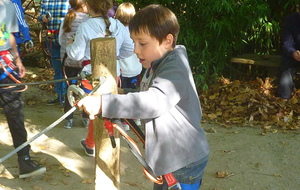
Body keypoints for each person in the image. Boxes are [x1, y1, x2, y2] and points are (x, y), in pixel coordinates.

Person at [77, 4, 210, 190]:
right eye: (134, 42)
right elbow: (147, 95)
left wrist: (103, 103)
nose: (136, 50)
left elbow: (154, 101)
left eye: (142, 43)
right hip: (172, 160)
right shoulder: (158, 64)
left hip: (183, 162)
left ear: (167, 40)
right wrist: (122, 93)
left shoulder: (174, 68)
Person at [65, 0, 134, 156]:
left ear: (88, 6)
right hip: (112, 73)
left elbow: (75, 54)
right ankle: (96, 143)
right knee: (107, 109)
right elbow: (129, 49)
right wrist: (115, 56)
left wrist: (70, 44)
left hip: (91, 75)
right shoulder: (119, 25)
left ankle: (93, 144)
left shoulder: (86, 26)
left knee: (95, 110)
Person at [0, 0, 46, 178]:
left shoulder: (9, 5)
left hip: (6, 64)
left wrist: (18, 61)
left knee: (15, 112)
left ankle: (24, 159)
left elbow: (8, 34)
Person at [58, 0, 90, 129]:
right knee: (86, 89)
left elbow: (61, 40)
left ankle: (69, 119)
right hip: (84, 62)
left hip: (68, 60)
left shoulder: (67, 18)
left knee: (70, 89)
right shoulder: (89, 20)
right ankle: (86, 118)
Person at [115, 2, 142, 129]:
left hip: (123, 70)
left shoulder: (117, 31)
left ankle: (125, 120)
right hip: (135, 69)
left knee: (122, 95)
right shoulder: (137, 31)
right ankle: (135, 117)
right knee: (135, 93)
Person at [38, 0, 70, 105]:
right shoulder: (46, 1)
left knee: (66, 70)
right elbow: (40, 15)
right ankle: (59, 94)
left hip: (66, 41)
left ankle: (66, 96)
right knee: (57, 69)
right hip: (52, 40)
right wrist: (42, 18)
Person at [277, 11, 300, 100]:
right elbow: (287, 43)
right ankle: (283, 107)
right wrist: (293, 52)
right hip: (293, 56)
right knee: (284, 87)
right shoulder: (290, 19)